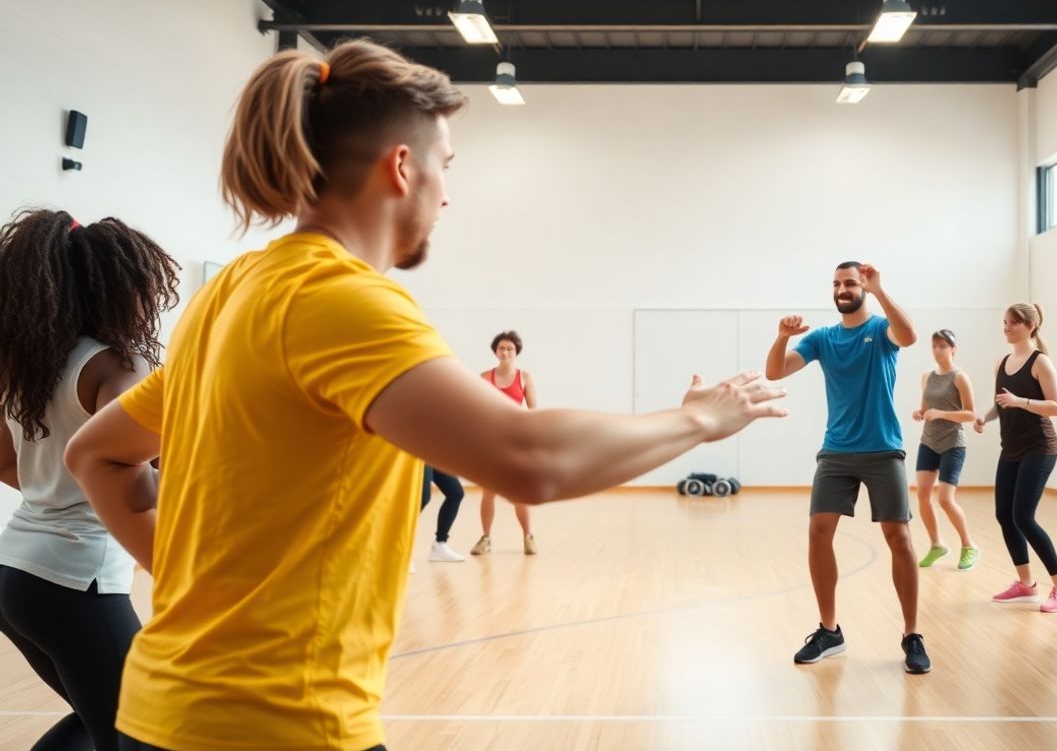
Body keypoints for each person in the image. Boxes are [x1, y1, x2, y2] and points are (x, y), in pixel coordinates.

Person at [64, 40, 784, 751]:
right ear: (402, 168)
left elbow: (96, 454)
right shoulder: (339, 299)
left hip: (163, 714)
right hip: (275, 725)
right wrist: (697, 418)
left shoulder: (229, 292)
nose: (449, 191)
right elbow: (529, 457)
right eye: (446, 164)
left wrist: (195, 580)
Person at [0, 210, 179, 750]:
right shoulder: (115, 368)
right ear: (119, 288)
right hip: (77, 582)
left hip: (15, 573)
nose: (150, 300)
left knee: (98, 722)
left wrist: (56, 493)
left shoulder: (27, 367)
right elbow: (141, 481)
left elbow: (5, 462)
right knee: (148, 732)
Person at [766, 261, 930, 674]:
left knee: (900, 538)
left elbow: (909, 337)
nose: (842, 289)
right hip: (836, 451)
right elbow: (774, 372)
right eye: (837, 284)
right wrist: (782, 337)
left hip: (883, 448)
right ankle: (829, 630)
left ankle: (912, 635)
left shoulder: (880, 329)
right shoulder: (823, 338)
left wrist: (880, 290)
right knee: (819, 533)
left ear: (863, 287)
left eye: (851, 283)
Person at [974, 303, 1057, 613]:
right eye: (1005, 322)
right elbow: (1002, 404)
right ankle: (1026, 585)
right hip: (1012, 449)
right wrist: (985, 417)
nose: (1006, 328)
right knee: (1004, 515)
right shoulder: (1002, 363)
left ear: (1029, 326)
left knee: (1023, 517)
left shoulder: (1040, 362)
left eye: (1013, 323)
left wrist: (1021, 401)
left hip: (1040, 448)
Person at [910, 329, 978, 571]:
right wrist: (919, 413)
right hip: (928, 441)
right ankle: (937, 545)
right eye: (934, 346)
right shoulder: (926, 377)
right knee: (922, 495)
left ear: (953, 349)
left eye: (942, 346)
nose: (937, 350)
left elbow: (970, 414)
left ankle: (969, 546)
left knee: (945, 499)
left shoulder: (960, 377)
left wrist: (941, 414)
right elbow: (925, 407)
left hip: (953, 443)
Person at [470, 331, 538, 556]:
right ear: (495, 352)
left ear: (516, 351)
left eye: (510, 348)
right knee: (489, 492)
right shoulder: (484, 378)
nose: (505, 352)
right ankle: (486, 538)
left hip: (517, 442)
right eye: (501, 348)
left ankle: (528, 537)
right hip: (493, 442)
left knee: (519, 492)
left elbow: (533, 413)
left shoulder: (525, 377)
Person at [423, 465, 467, 562]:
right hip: (417, 456)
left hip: (433, 454)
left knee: (455, 493)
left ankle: (440, 544)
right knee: (423, 498)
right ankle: (394, 547)